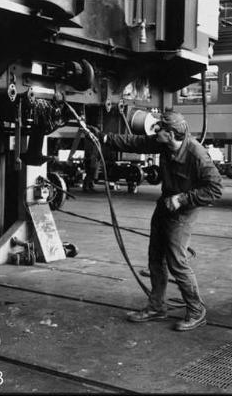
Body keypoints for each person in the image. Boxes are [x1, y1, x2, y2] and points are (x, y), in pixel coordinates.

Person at [91, 110, 222, 331]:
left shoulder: (196, 154)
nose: (155, 131)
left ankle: (196, 311)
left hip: (183, 210)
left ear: (170, 134)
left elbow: (215, 189)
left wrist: (183, 199)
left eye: (159, 129)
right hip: (164, 205)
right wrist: (103, 138)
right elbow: (136, 142)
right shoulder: (163, 144)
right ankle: (156, 307)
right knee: (155, 258)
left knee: (176, 262)